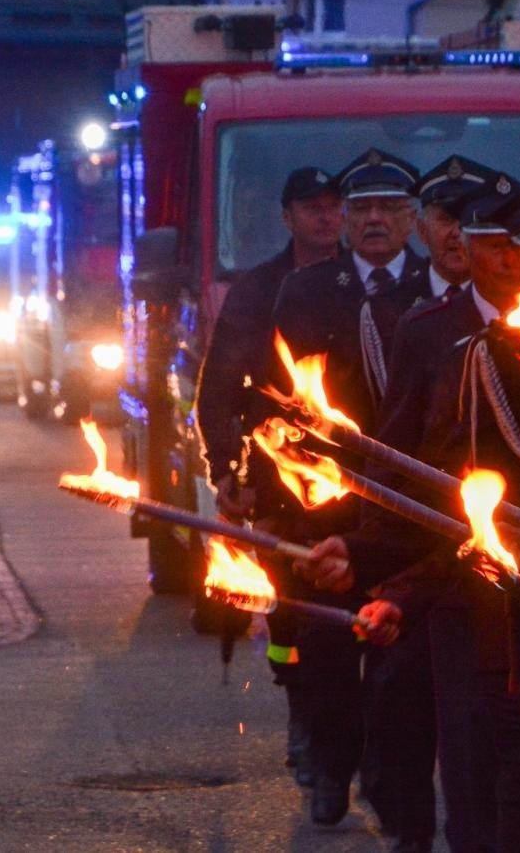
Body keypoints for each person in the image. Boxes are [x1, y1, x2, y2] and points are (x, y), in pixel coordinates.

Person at [299, 168, 520, 852]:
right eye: (482, 238)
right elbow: (407, 461)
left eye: (515, 242)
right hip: (451, 581)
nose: (500, 257)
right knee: (454, 757)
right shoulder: (427, 329)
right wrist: (380, 564)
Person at [271, 148, 432, 831]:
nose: (373, 221)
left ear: (412, 218)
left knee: (403, 669)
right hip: (328, 503)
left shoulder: (433, 290)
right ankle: (332, 769)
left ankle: (399, 801)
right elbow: (280, 400)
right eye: (360, 208)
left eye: (389, 208)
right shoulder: (310, 290)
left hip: (413, 506)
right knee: (329, 657)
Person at [192, 165, 342, 788]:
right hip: (283, 482)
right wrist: (228, 468)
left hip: (366, 484)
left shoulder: (376, 284)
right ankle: (303, 713)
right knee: (293, 619)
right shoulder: (258, 291)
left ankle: (357, 738)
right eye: (312, 206)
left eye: (334, 204)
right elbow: (219, 388)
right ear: (288, 217)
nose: (325, 216)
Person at [415, 155, 491, 301]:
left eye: (468, 218)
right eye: (446, 219)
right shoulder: (388, 305)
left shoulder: (515, 301)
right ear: (422, 230)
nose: (457, 232)